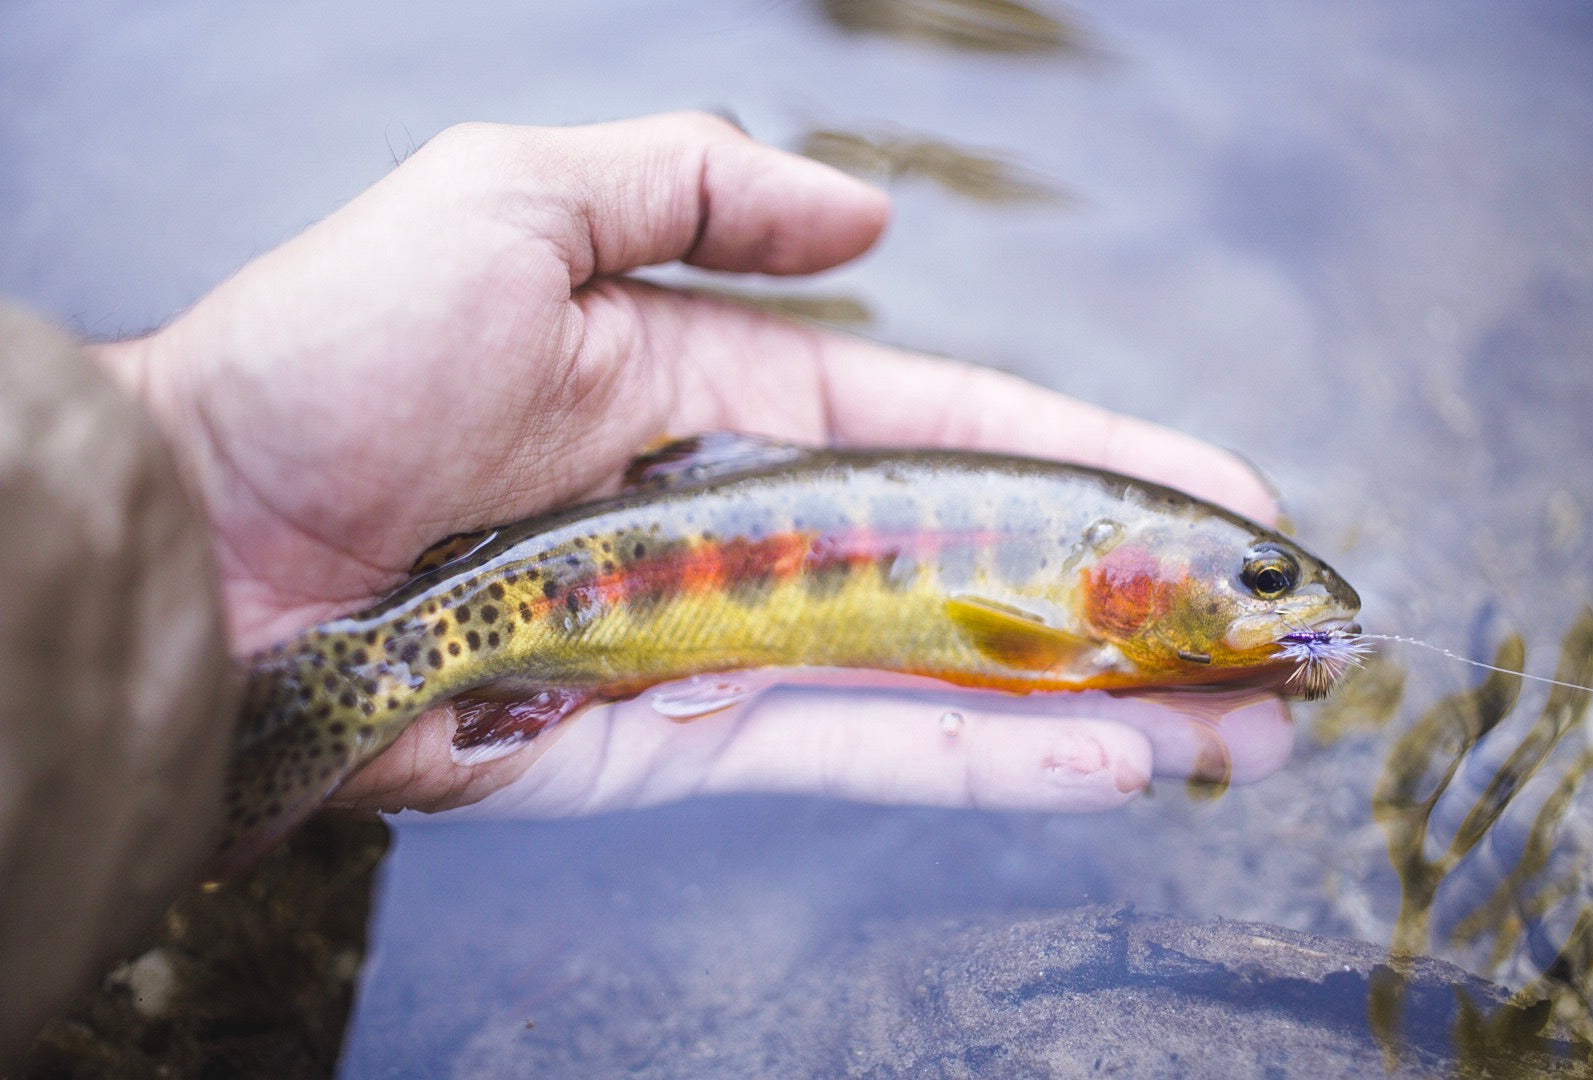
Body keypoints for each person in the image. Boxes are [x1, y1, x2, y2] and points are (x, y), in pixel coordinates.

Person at [0, 112, 1291, 1060]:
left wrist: (171, 467)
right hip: (540, 599)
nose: (1278, 603)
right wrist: (196, 462)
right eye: (1262, 579)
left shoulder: (1094, 614)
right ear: (1137, 575)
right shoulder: (1066, 622)